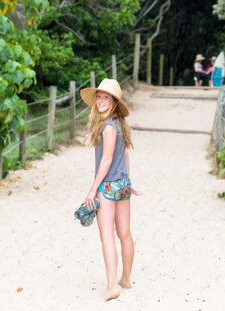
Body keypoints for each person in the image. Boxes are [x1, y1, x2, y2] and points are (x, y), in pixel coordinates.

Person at [80, 78, 143, 301]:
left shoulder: (107, 127)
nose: (101, 101)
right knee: (124, 233)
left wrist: (92, 190)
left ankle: (112, 286)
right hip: (122, 184)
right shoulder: (119, 124)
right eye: (99, 96)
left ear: (115, 102)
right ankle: (125, 278)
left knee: (107, 236)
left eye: (106, 97)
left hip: (107, 186)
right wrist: (128, 180)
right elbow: (124, 155)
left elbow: (106, 160)